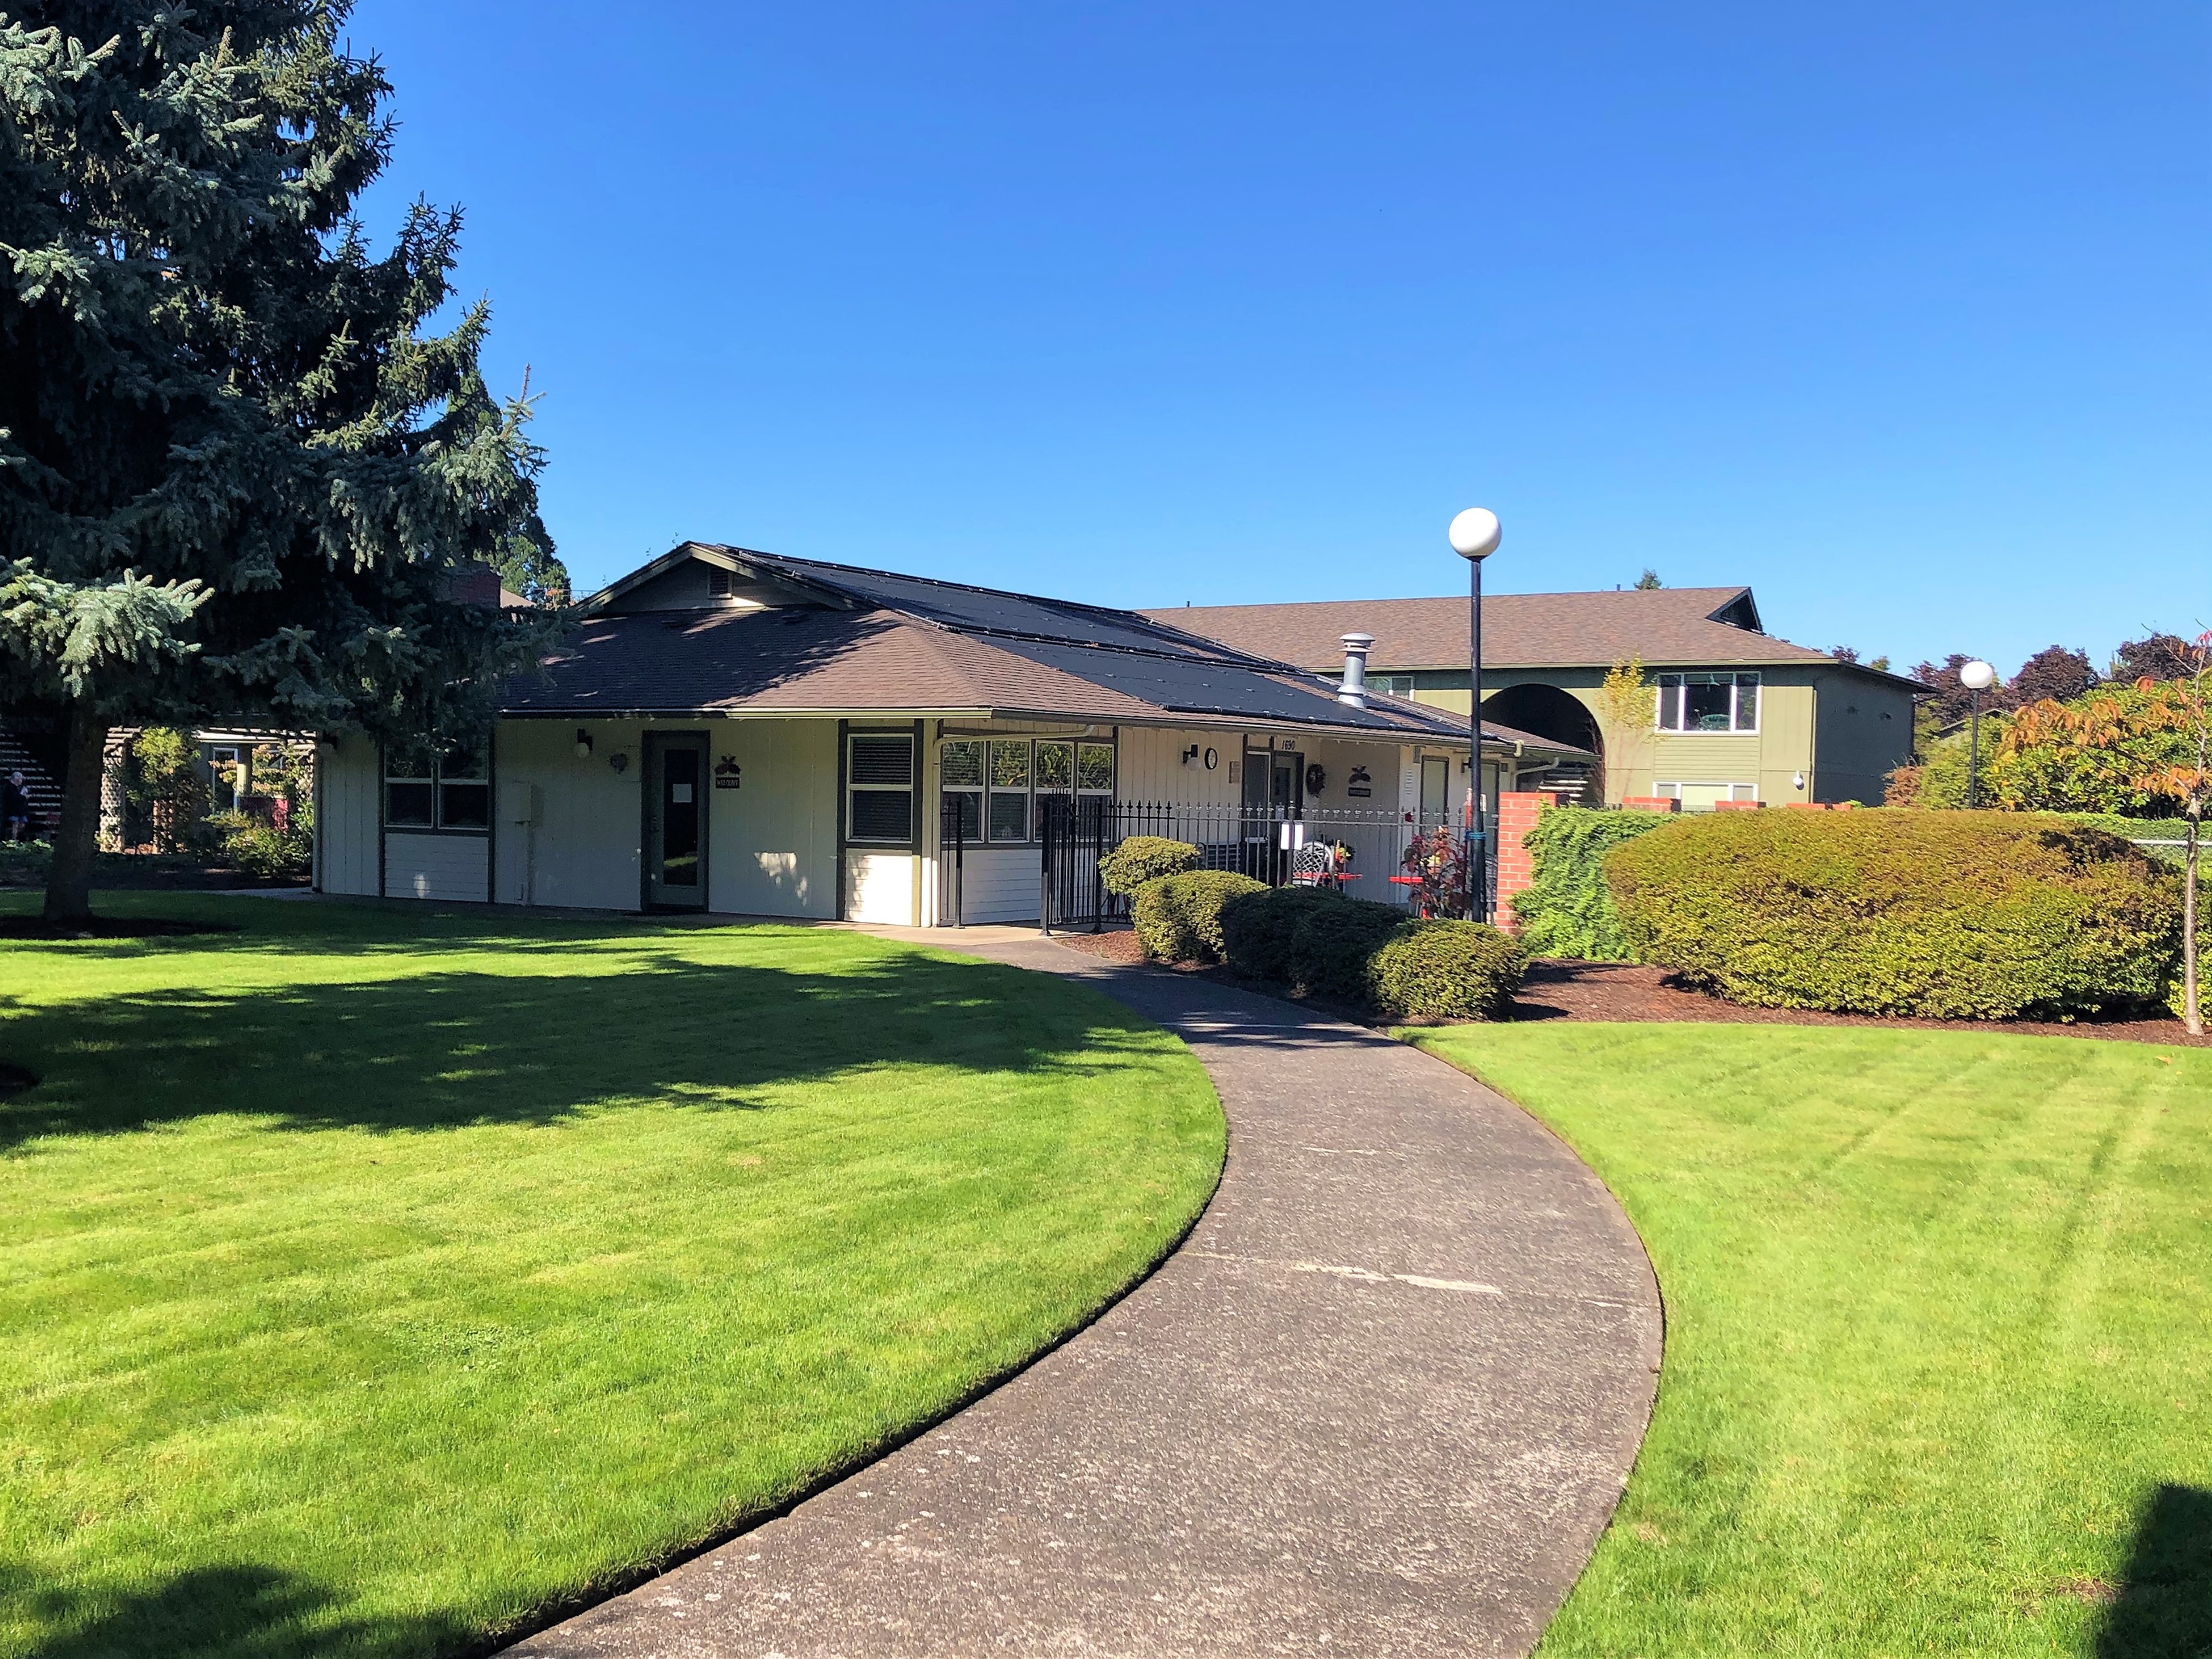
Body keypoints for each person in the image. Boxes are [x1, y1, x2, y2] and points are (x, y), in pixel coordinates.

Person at [1, 771, 28, 842]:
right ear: (17, 779)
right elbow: (13, 798)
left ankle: (16, 837)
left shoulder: (19, 787)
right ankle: (14, 839)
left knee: (22, 825)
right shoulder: (10, 787)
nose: (21, 781)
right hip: (13, 809)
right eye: (20, 779)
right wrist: (23, 797)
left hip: (20, 809)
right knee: (15, 824)